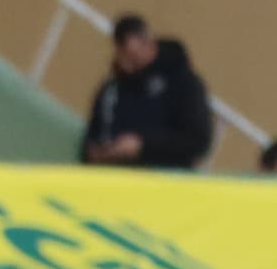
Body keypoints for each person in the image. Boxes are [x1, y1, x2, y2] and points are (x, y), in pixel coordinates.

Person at [79, 16, 212, 170]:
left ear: (149, 44)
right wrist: (102, 153)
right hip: (112, 176)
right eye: (123, 55)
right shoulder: (111, 90)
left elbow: (197, 140)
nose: (128, 63)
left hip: (161, 178)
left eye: (133, 55)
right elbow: (92, 139)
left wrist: (143, 145)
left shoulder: (184, 83)